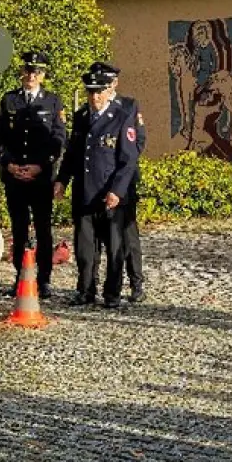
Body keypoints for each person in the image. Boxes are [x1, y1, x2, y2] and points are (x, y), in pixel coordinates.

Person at [54, 66, 140, 308]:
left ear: (107, 91)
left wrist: (118, 190)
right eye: (91, 92)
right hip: (84, 193)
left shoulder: (121, 116)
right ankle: (85, 290)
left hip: (109, 195)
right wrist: (62, 180)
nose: (95, 97)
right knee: (85, 249)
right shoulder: (81, 117)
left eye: (99, 91)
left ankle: (112, 294)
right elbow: (72, 153)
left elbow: (128, 160)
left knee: (114, 248)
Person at [0, 52, 67, 296]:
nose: (31, 76)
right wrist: (9, 164)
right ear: (22, 72)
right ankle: (21, 275)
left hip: (40, 176)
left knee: (43, 228)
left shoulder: (52, 101)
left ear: (43, 75)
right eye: (28, 71)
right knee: (19, 228)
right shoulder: (9, 100)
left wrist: (41, 165)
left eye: (37, 72)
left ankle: (43, 279)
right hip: (15, 176)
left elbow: (58, 139)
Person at [97, 61, 147, 302]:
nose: (105, 86)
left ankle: (136, 283)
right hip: (99, 182)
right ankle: (94, 284)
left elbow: (138, 141)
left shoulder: (128, 105)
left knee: (128, 233)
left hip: (124, 181)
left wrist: (123, 171)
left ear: (115, 83)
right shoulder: (93, 106)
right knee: (102, 236)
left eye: (108, 82)